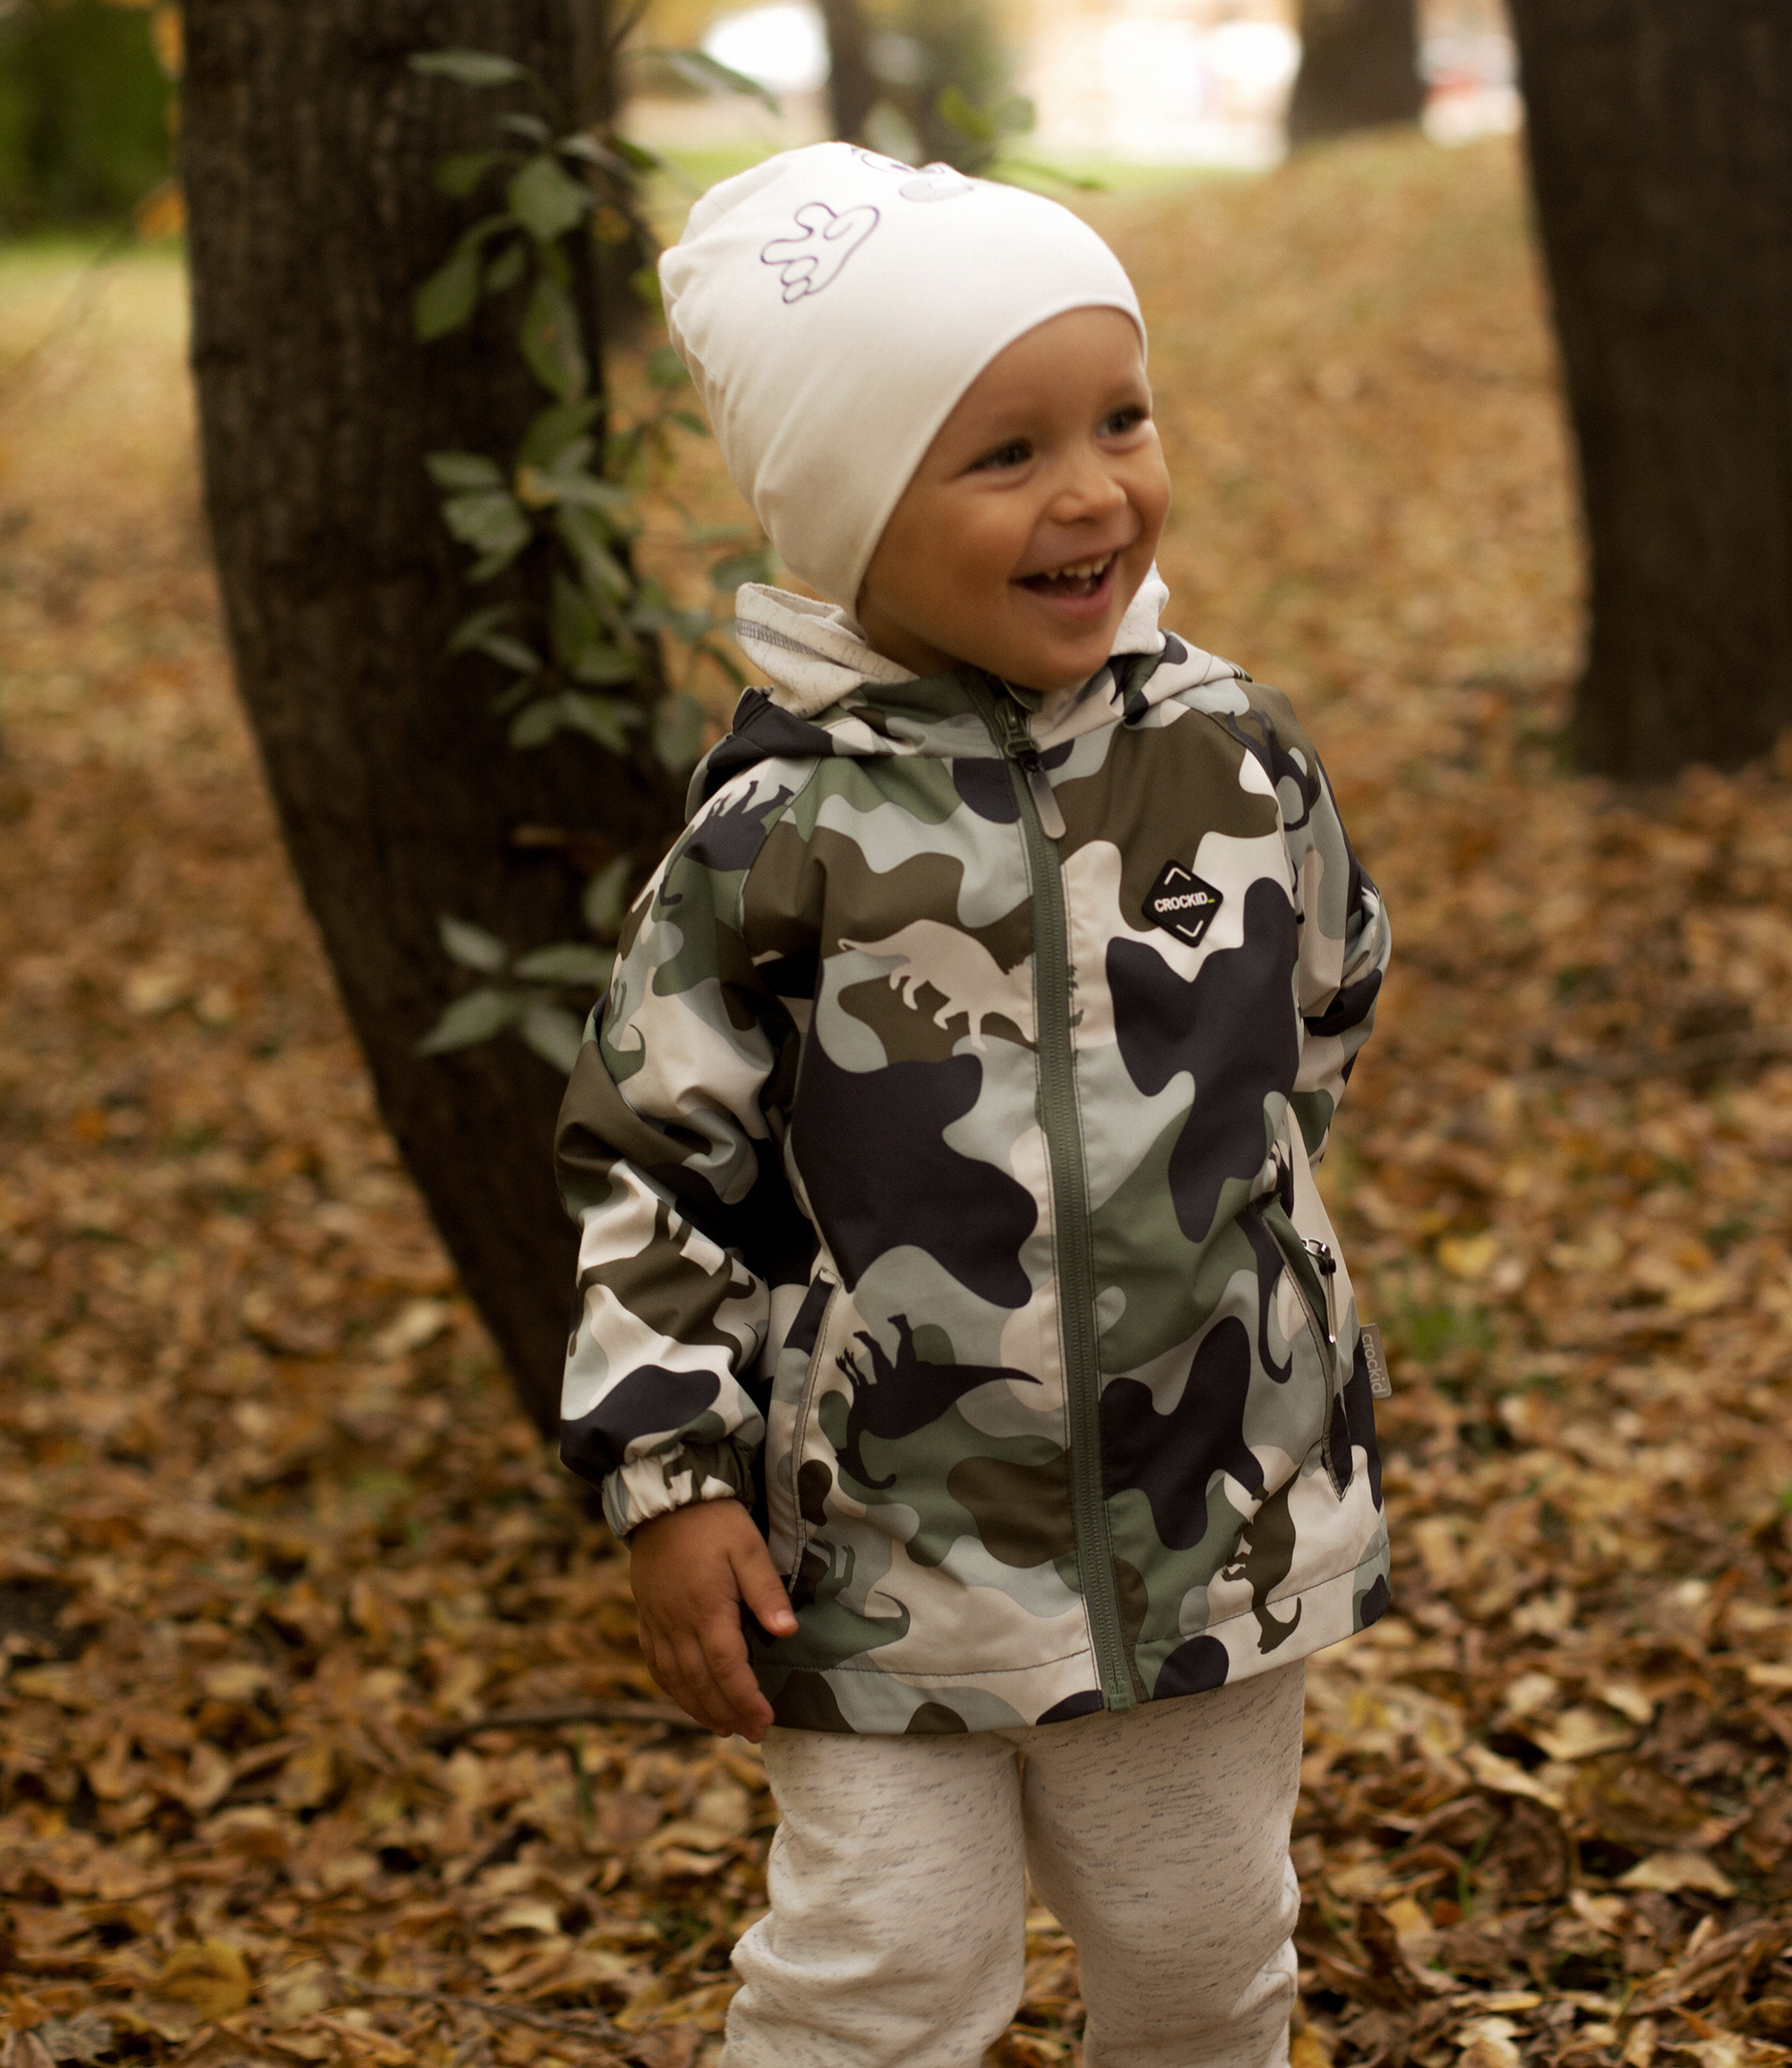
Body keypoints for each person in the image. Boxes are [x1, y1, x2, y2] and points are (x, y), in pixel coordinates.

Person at [553, 142, 1393, 2068]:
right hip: (874, 1550)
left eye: (1119, 419)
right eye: (1003, 453)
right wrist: (670, 1480)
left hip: (1204, 1510)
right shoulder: (778, 836)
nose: (1091, 490)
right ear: (853, 519)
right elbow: (650, 1167)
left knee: (1203, 1957)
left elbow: (1325, 1002)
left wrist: (1230, 1244)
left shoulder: (1232, 757)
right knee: (882, 1974)